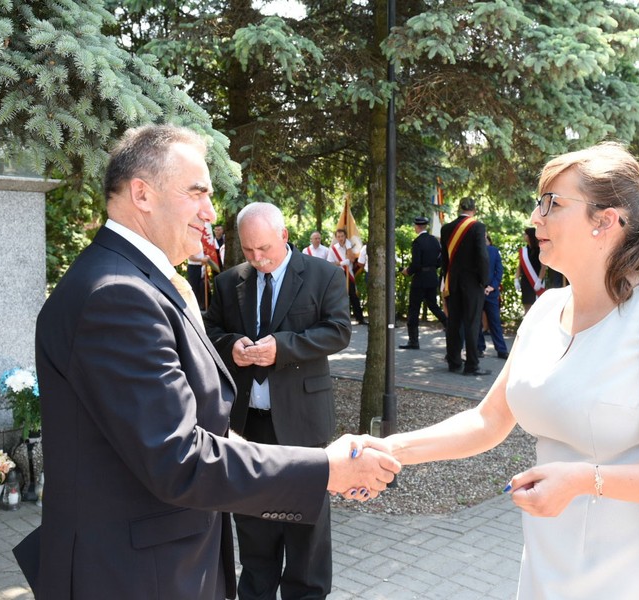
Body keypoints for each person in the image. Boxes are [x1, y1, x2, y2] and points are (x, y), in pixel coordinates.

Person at [23, 124, 399, 600]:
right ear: (142, 193)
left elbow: (196, 425)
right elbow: (179, 457)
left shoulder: (134, 281)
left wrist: (311, 462)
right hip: (136, 576)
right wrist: (325, 470)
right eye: (197, 193)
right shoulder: (118, 295)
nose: (210, 212)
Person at [357, 142, 639, 599]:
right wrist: (386, 449)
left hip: (631, 576)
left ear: (606, 220)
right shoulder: (547, 310)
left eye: (552, 205)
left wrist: (587, 480)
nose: (535, 218)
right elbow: (487, 420)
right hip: (545, 571)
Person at [205, 202, 351, 600]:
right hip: (248, 424)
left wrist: (283, 348)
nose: (258, 259)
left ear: (284, 236)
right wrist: (231, 346)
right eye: (249, 251)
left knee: (307, 526)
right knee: (252, 522)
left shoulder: (324, 274)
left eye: (265, 249)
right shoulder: (229, 281)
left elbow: (339, 331)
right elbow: (209, 331)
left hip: (302, 420)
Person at [440, 196, 489, 376]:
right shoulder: (477, 226)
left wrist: (446, 281)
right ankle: (472, 365)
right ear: (474, 210)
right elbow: (482, 256)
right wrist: (484, 281)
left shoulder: (446, 229)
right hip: (472, 283)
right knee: (472, 323)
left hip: (452, 281)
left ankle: (453, 362)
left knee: (453, 322)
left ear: (459, 208)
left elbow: (445, 260)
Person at [400, 216, 448, 349]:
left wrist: (407, 271)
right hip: (432, 278)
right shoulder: (434, 241)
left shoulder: (417, 242)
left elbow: (416, 264)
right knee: (433, 306)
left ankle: (413, 341)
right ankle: (449, 325)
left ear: (417, 226)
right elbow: (440, 260)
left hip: (420, 279)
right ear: (425, 226)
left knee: (414, 309)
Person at [478, 233, 509, 359]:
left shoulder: (493, 251)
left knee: (487, 322)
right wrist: (489, 287)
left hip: (485, 291)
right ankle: (495, 349)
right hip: (484, 291)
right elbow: (499, 271)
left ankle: (487, 348)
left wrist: (490, 287)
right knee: (489, 322)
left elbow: (499, 271)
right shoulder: (492, 251)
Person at [328, 228, 365, 325]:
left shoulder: (350, 246)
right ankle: (341, 319)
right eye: (338, 236)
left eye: (342, 236)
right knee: (340, 296)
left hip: (349, 274)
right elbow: (330, 263)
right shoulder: (333, 249)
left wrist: (348, 248)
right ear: (336, 237)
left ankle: (359, 318)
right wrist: (342, 262)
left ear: (345, 236)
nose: (340, 238)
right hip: (339, 274)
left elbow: (352, 259)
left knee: (353, 295)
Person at [514, 227, 546, 314]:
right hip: (526, 281)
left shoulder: (540, 249)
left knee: (538, 305)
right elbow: (520, 266)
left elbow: (543, 267)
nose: (524, 236)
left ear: (530, 236)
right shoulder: (524, 250)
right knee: (527, 304)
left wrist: (539, 280)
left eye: (525, 234)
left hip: (537, 281)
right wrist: (516, 279)